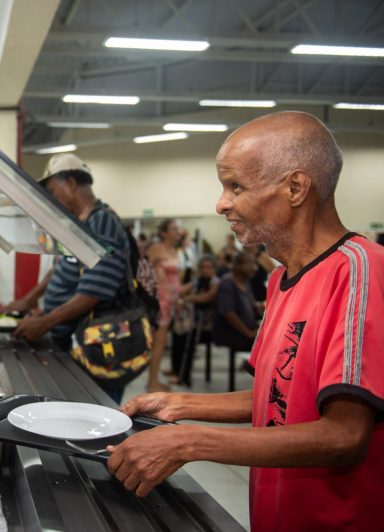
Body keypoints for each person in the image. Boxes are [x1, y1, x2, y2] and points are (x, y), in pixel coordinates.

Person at [106, 111, 383, 530]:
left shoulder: (360, 272)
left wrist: (189, 441)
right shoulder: (280, 280)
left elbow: (345, 435)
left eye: (235, 186)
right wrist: (184, 405)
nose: (221, 203)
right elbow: (278, 398)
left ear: (295, 187)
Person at [6, 154, 132, 402]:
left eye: (52, 192)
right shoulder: (79, 226)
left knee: (96, 415)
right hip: (73, 342)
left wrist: (46, 321)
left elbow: (94, 290)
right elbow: (62, 269)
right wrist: (36, 304)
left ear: (71, 183)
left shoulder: (102, 222)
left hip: (99, 348)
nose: (51, 201)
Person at [169, 255, 220, 386]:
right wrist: (178, 295)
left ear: (214, 269)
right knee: (177, 333)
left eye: (208, 268)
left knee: (187, 340)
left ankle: (184, 376)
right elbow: (180, 290)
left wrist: (187, 299)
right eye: (202, 267)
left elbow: (208, 297)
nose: (205, 270)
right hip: (195, 320)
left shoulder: (215, 282)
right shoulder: (198, 280)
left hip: (208, 323)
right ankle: (176, 370)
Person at [145, 218, 182, 392]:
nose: (178, 232)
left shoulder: (173, 250)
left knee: (162, 341)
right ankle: (152, 382)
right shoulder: (156, 249)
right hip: (160, 301)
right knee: (158, 342)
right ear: (164, 232)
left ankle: (154, 379)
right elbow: (143, 270)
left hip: (172, 301)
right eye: (174, 229)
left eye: (178, 229)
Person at [211, 251, 258, 353]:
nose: (254, 267)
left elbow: (251, 305)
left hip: (245, 330)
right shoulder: (227, 282)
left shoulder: (246, 281)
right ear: (238, 265)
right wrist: (249, 333)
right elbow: (229, 313)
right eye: (250, 264)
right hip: (231, 332)